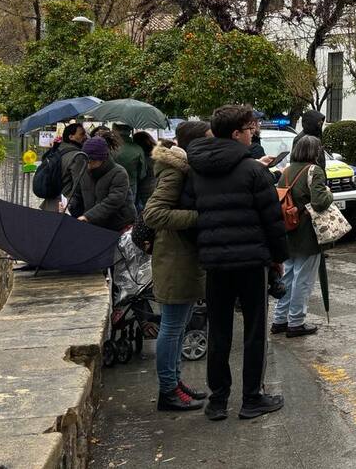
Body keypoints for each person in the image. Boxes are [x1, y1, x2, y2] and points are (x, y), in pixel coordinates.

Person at [186, 104, 288, 422]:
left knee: (219, 331)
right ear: (235, 134)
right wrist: (278, 259)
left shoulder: (196, 169)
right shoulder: (253, 171)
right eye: (249, 129)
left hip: (215, 263)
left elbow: (189, 216)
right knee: (255, 332)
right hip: (251, 263)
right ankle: (251, 398)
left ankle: (218, 400)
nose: (252, 134)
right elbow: (272, 220)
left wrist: (205, 246)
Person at [142, 120, 212, 412]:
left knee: (180, 326)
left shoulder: (184, 169)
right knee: (171, 328)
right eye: (207, 139)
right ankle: (168, 391)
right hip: (173, 259)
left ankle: (175, 382)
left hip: (181, 258)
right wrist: (200, 216)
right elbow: (153, 214)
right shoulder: (174, 171)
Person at [271, 134, 334, 337]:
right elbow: (319, 201)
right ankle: (296, 321)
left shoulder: (287, 171)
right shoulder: (314, 170)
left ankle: (280, 319)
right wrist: (329, 193)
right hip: (308, 232)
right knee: (304, 279)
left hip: (288, 229)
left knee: (288, 276)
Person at [67, 136, 136, 230]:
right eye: (86, 159)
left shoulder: (119, 173)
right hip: (94, 224)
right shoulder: (84, 170)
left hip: (117, 224)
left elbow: (113, 201)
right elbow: (77, 194)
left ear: (103, 159)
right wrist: (69, 205)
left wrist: (88, 217)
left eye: (92, 160)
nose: (88, 163)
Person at [38, 123, 87, 211]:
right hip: (65, 206)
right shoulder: (78, 156)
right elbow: (80, 185)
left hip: (49, 204)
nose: (85, 137)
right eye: (82, 134)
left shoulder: (56, 150)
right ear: (71, 137)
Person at [112, 124, 149, 213]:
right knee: (129, 212)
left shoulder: (110, 147)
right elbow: (142, 174)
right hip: (131, 185)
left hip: (111, 185)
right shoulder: (137, 149)